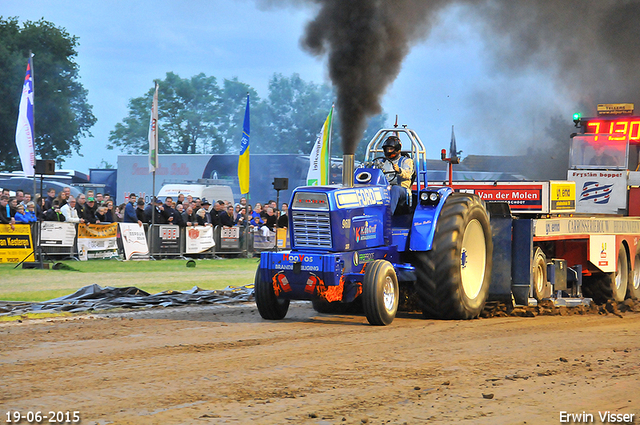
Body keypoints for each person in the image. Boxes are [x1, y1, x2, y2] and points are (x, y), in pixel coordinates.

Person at [377, 135, 414, 214]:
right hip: (385, 186)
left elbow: (408, 175)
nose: (389, 151)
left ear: (397, 149)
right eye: (387, 149)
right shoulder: (382, 162)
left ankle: (388, 215)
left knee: (395, 189)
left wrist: (399, 170)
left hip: (402, 189)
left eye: (391, 149)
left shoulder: (406, 161)